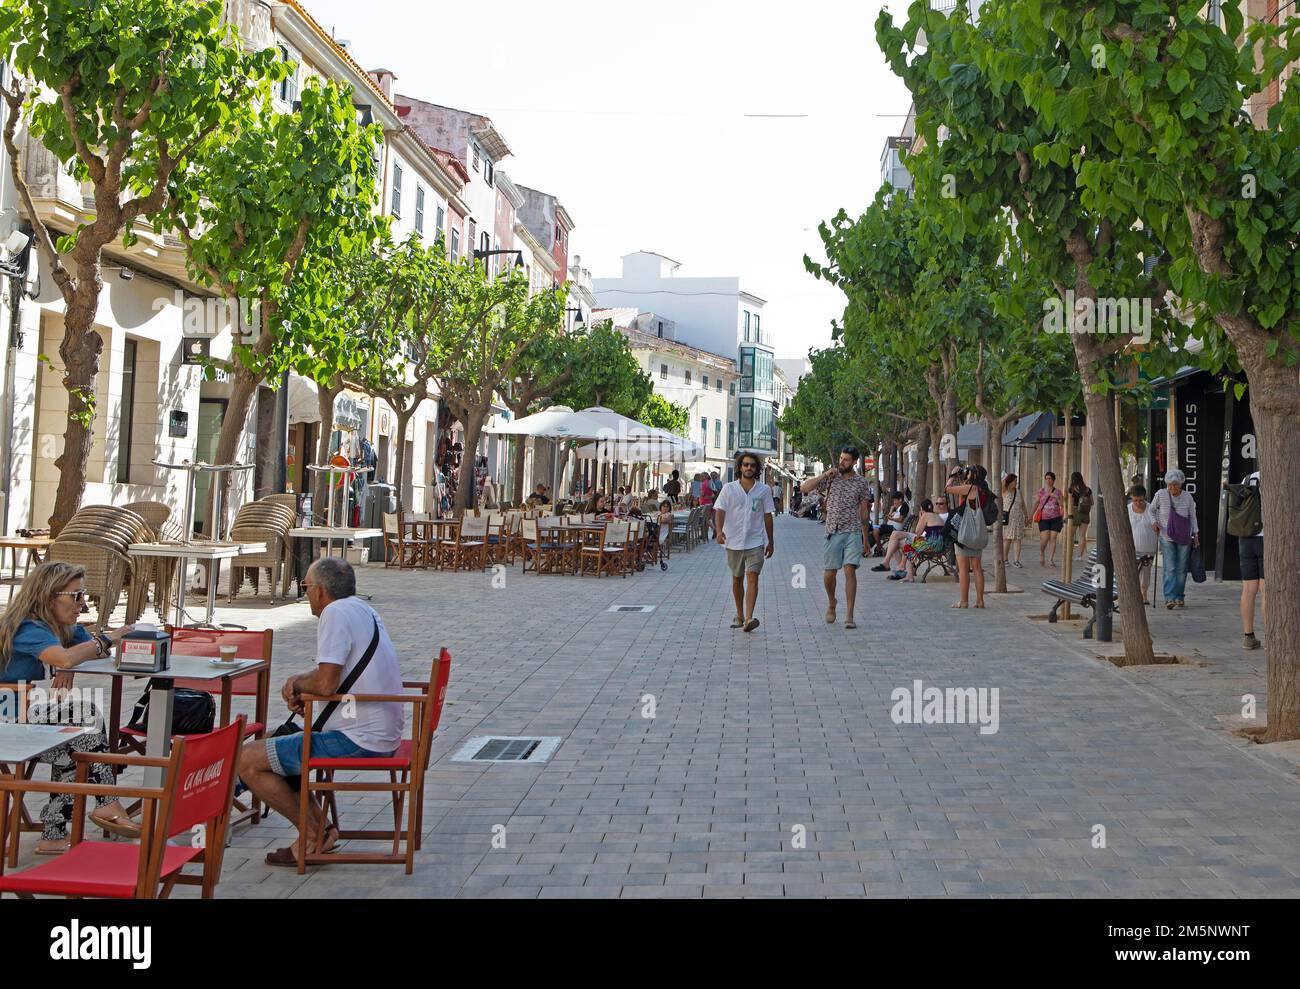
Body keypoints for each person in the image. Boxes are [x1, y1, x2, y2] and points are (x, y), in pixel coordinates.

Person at [239, 557, 404, 865]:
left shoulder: (335, 613)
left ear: (319, 590)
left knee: (247, 760)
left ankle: (315, 834)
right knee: (276, 742)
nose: (305, 596)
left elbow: (327, 682)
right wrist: (309, 694)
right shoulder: (362, 609)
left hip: (360, 739)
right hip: (379, 730)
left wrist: (297, 683)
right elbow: (340, 680)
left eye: (305, 587)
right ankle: (320, 829)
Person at [0, 561, 140, 854]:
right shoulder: (28, 626)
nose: (83, 604)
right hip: (7, 714)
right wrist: (76, 655)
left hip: (21, 712)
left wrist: (72, 662)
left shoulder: (61, 626)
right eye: (76, 595)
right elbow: (74, 654)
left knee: (76, 744)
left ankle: (53, 836)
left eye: (83, 594)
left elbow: (86, 650)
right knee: (84, 713)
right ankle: (106, 801)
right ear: (51, 596)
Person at [801, 446, 874, 629]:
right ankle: (832, 601)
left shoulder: (861, 483)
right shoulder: (831, 478)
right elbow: (804, 488)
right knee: (829, 574)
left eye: (846, 459)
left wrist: (866, 540)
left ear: (855, 462)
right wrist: (825, 474)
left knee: (850, 570)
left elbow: (864, 512)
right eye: (841, 458)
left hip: (853, 531)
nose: (842, 462)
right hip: (833, 531)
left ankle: (849, 615)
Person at [713, 452, 775, 632]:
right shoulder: (729, 489)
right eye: (746, 465)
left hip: (755, 541)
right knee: (737, 580)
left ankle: (749, 618)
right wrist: (719, 531)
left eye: (752, 466)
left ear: (756, 469)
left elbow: (768, 516)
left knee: (753, 578)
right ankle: (739, 615)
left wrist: (770, 541)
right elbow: (720, 511)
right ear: (740, 467)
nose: (749, 468)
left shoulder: (764, 490)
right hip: (733, 541)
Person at [1151, 468, 1199, 609]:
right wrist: (1154, 522)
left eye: (1175, 484)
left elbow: (1192, 516)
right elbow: (1151, 510)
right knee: (1170, 567)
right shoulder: (1161, 494)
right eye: (1170, 484)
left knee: (1182, 568)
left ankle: (1179, 596)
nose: (1172, 487)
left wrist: (1196, 534)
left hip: (1184, 536)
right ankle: (1170, 597)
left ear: (1181, 484)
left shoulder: (1188, 497)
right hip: (1166, 535)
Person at [947, 464, 992, 608]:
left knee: (963, 569)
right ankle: (980, 601)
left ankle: (964, 601)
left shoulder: (970, 488)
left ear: (973, 475)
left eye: (969, 473)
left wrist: (952, 475)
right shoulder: (983, 489)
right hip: (977, 532)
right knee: (977, 567)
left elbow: (947, 489)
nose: (966, 474)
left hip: (965, 533)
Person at [1237, 469, 1264, 649]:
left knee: (1248, 589)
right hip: (1267, 537)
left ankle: (1248, 636)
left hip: (1246, 537)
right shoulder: (1282, 476)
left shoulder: (1248, 478)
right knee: (1266, 589)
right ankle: (1272, 638)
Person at [894, 499, 947, 582]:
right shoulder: (937, 516)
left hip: (932, 545)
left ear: (922, 509)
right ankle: (903, 567)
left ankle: (908, 574)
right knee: (911, 543)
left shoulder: (925, 515)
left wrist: (920, 517)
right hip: (941, 545)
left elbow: (917, 532)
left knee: (909, 546)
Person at [1127, 484, 1158, 605]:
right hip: (1131, 546)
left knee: (1145, 572)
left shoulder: (1151, 509)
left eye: (1141, 500)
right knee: (1132, 572)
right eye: (1135, 500)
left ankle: (1144, 594)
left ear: (1145, 497)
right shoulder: (1127, 509)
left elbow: (1158, 525)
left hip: (1148, 546)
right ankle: (1132, 595)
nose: (1138, 502)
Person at [1033, 471, 1066, 567]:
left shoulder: (1058, 492)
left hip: (1056, 517)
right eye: (1046, 478)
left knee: (1053, 538)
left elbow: (1062, 505)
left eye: (1050, 479)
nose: (1048, 480)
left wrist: (1057, 498)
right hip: (1044, 518)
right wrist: (1031, 515)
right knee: (1045, 538)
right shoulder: (1041, 491)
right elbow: (1036, 503)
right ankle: (1042, 553)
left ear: (1053, 480)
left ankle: (1051, 559)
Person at [1001, 473, 1029, 568]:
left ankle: (1016, 560)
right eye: (1014, 481)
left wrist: (1026, 516)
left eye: (1016, 481)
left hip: (1018, 519)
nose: (1016, 483)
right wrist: (1005, 479)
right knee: (1007, 539)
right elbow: (1000, 486)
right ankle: (1005, 559)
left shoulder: (1018, 492)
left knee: (1018, 539)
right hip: (1008, 519)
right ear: (1009, 482)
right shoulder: (1004, 491)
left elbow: (1023, 505)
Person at [1067, 472, 1093, 561]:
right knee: (1082, 536)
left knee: (1071, 535)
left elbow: (1070, 503)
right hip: (1085, 514)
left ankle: (1069, 555)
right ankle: (1079, 556)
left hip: (1075, 514)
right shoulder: (1088, 490)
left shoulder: (1071, 489)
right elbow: (1092, 502)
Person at [656, 499, 673, 571]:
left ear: (669, 508)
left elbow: (664, 520)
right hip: (656, 532)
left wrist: (659, 518)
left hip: (662, 533)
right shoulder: (658, 514)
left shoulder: (669, 515)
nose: (665, 508)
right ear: (661, 507)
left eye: (667, 507)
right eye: (663, 506)